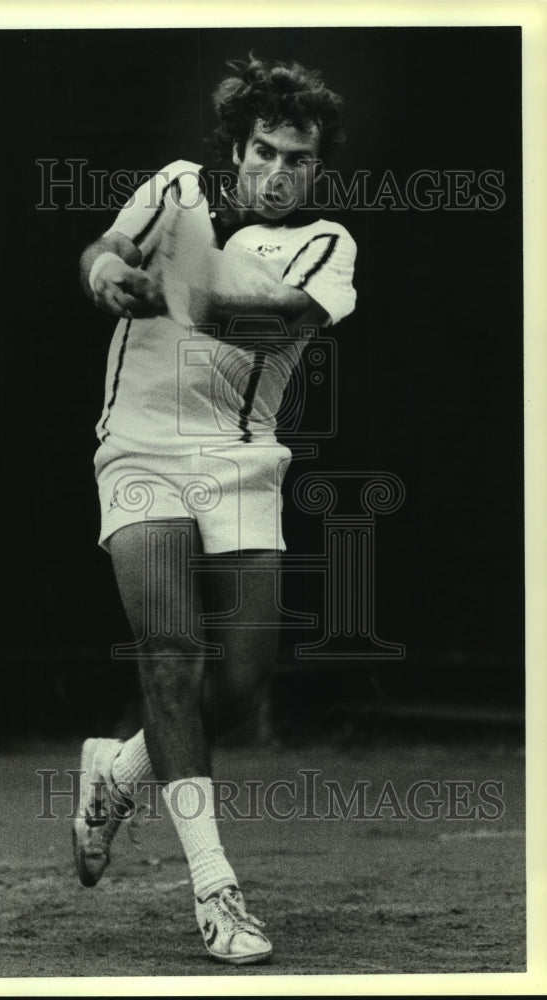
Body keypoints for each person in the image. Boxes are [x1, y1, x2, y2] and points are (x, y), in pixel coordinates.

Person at [72, 56, 358, 965]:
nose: (279, 173)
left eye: (298, 159)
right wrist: (107, 278)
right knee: (169, 656)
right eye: (264, 152)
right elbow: (102, 251)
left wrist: (182, 289)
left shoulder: (329, 244)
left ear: (318, 166)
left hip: (241, 461)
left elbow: (265, 321)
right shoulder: (174, 189)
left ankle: (116, 772)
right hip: (141, 447)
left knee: (237, 684)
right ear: (235, 150)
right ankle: (215, 888)